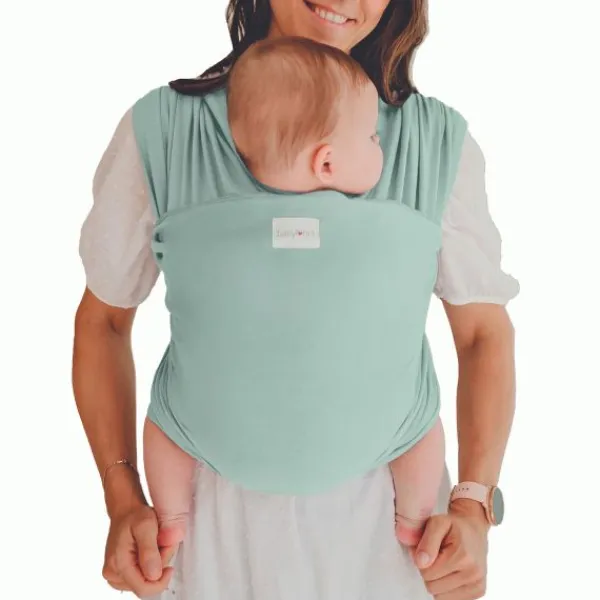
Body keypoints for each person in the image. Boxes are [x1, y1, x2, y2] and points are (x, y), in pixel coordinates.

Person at [73, 1, 519, 599]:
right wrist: (123, 497)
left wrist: (473, 507)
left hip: (390, 545)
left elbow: (483, 335)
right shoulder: (165, 133)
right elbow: (103, 322)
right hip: (211, 538)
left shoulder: (433, 144)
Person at [143, 34, 446, 557]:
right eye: (372, 137)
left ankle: (170, 517)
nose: (381, 145)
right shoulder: (398, 226)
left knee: (165, 426)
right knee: (421, 428)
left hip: (210, 433)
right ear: (327, 164)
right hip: (375, 435)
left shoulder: (195, 222)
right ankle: (414, 518)